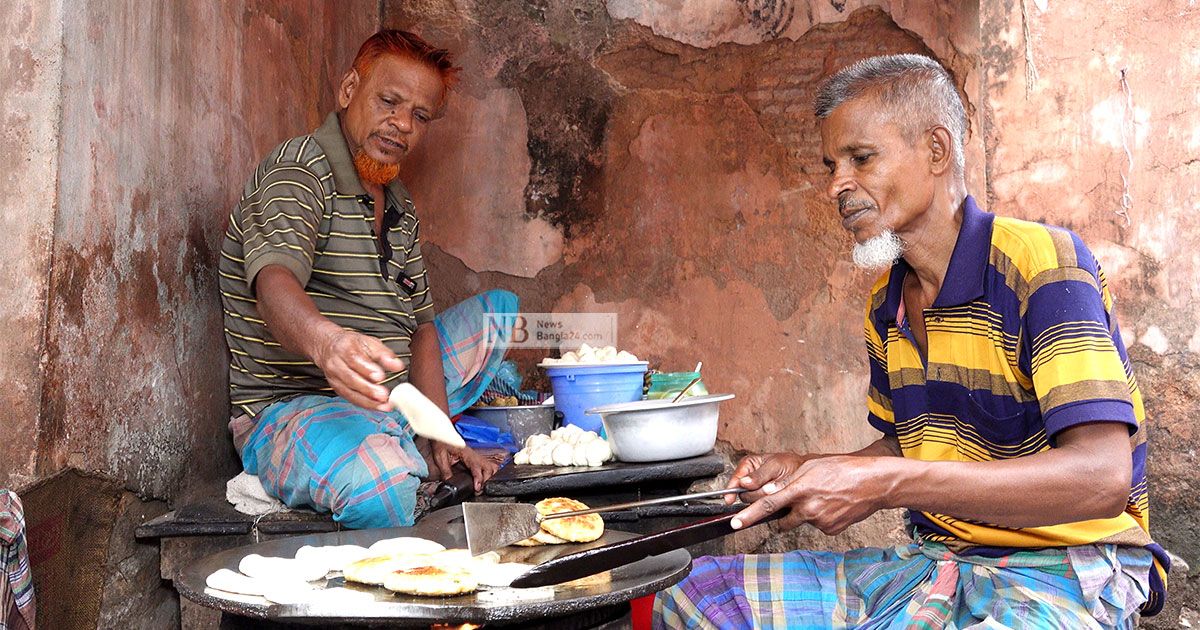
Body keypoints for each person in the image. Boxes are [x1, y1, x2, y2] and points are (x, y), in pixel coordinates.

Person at [654, 54, 1168, 628]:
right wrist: (808, 470)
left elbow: (1101, 479)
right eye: (831, 166)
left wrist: (883, 484)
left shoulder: (1042, 265)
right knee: (691, 594)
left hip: (1064, 567)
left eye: (861, 158)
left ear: (936, 151)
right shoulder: (885, 303)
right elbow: (909, 448)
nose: (836, 186)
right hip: (937, 561)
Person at [219, 30, 515, 529]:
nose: (401, 124)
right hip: (293, 407)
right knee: (382, 485)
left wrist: (442, 432)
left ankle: (410, 436)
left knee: (501, 312)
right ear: (348, 90)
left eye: (420, 116)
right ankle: (390, 449)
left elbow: (421, 328)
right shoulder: (300, 170)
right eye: (389, 101)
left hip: (386, 395)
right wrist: (327, 344)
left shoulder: (397, 201)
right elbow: (273, 280)